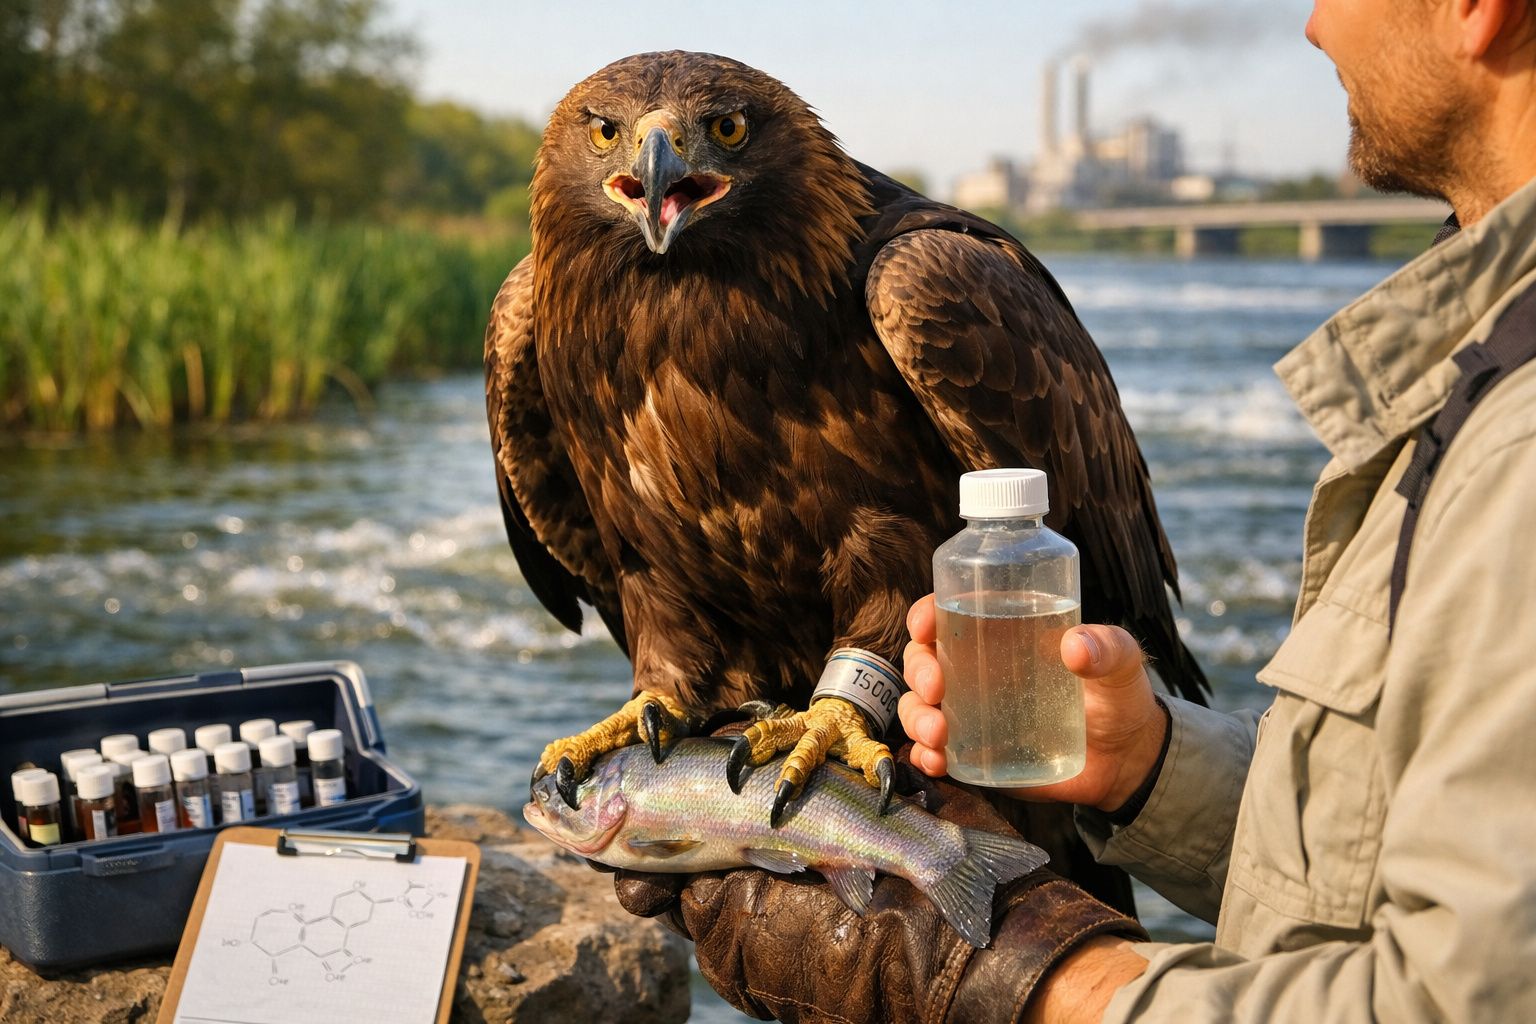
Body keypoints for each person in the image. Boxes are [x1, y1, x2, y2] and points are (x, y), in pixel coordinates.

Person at [613, 0, 1536, 1019]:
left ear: (1475, 10)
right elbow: (1419, 864)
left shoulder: (1521, 440)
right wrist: (1143, 765)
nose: (1313, 25)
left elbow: (1468, 1002)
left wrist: (1026, 979)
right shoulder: (1484, 368)